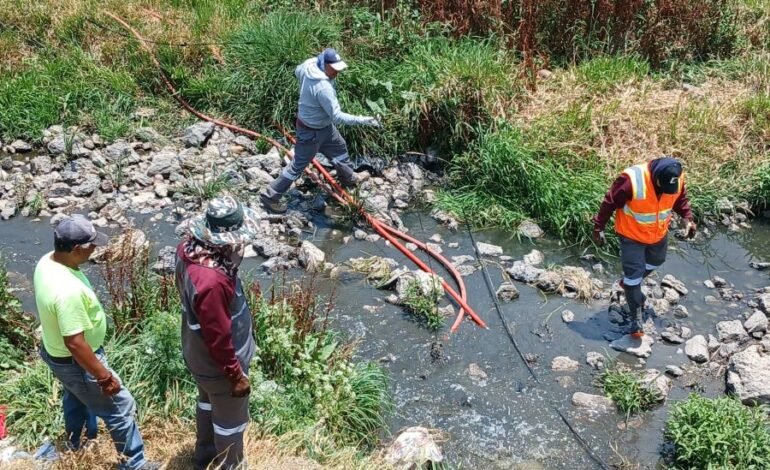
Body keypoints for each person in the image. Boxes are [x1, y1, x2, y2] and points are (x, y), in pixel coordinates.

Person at [34, 215, 159, 470]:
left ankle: (77, 444)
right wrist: (104, 377)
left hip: (57, 354)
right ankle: (134, 464)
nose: (95, 248)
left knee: (76, 396)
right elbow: (75, 343)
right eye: (91, 245)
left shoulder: (47, 261)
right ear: (76, 249)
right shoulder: (66, 291)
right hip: (77, 361)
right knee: (120, 406)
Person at [175, 196, 257, 470]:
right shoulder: (212, 282)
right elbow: (218, 338)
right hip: (220, 367)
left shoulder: (187, 249)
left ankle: (204, 457)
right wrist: (235, 376)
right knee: (230, 424)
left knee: (208, 403)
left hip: (197, 353)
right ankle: (230, 465)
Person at [260, 47, 381, 213]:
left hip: (323, 127)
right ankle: (270, 196)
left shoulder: (309, 65)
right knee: (297, 166)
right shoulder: (323, 88)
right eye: (333, 69)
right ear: (324, 65)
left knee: (339, 148)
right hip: (310, 132)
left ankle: (348, 178)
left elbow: (297, 72)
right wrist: (366, 120)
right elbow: (337, 116)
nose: (336, 73)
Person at [592, 157, 696, 337]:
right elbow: (610, 201)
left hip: (658, 234)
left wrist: (688, 219)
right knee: (634, 279)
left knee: (657, 261)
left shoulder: (675, 178)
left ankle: (628, 283)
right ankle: (636, 322)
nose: (667, 191)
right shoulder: (631, 180)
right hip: (631, 236)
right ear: (656, 178)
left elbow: (680, 199)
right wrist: (598, 227)